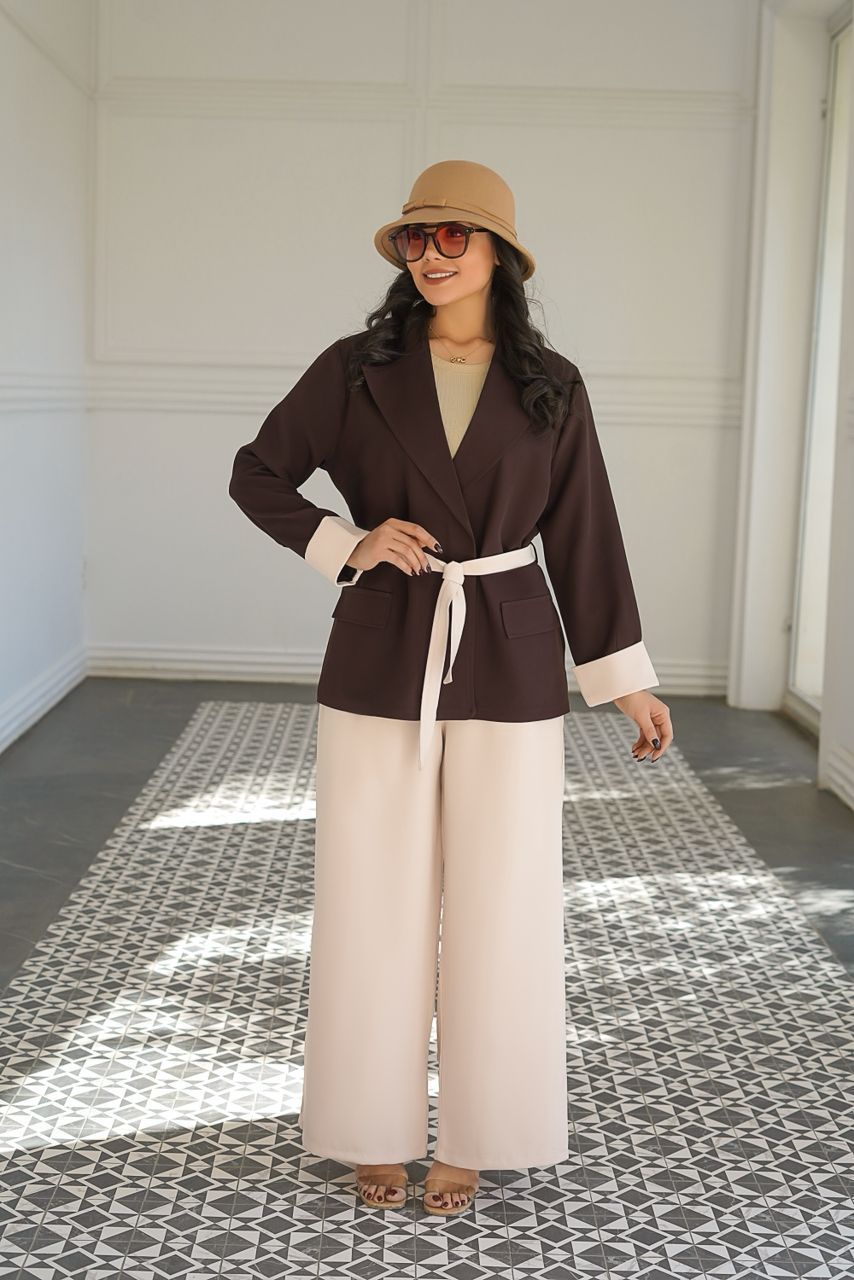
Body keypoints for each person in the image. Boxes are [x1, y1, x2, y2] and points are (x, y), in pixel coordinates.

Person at [229, 159, 673, 1217]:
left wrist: (623, 680)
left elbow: (584, 532)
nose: (431, 255)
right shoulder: (355, 369)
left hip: (509, 655)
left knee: (501, 902)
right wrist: (346, 541)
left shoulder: (551, 383)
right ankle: (370, 1127)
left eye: (453, 236)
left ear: (497, 254)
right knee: (370, 898)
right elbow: (257, 472)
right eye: (416, 238)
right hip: (380, 648)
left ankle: (478, 1134)